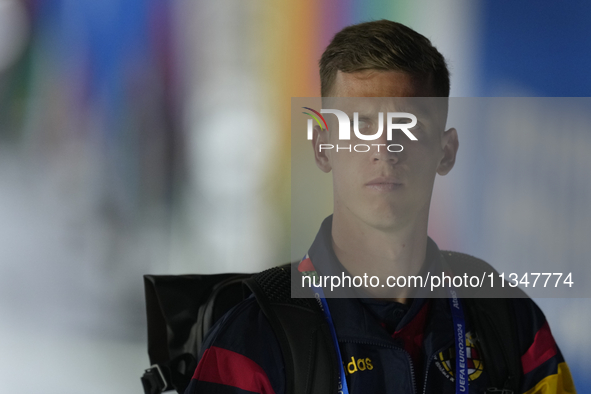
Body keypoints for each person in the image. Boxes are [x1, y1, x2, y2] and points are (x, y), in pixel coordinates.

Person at [184, 20, 576, 394]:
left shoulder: (505, 316)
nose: (384, 150)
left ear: (446, 151)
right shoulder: (257, 334)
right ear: (323, 148)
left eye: (409, 127)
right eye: (360, 126)